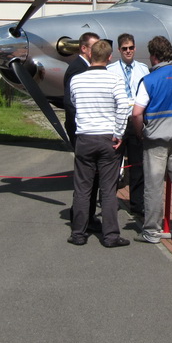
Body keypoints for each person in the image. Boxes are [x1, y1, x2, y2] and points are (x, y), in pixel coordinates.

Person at [131, 36, 172, 244]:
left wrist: (140, 132)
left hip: (156, 141)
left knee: (153, 187)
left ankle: (152, 231)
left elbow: (136, 112)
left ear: (154, 56)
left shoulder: (149, 80)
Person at [67, 39, 131, 248]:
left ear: (90, 55)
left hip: (85, 136)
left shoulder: (77, 80)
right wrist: (119, 132)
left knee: (82, 188)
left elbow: (74, 102)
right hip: (107, 137)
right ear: (109, 57)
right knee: (108, 189)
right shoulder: (115, 79)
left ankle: (78, 232)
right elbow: (123, 105)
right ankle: (110, 235)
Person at [106, 33, 149, 217]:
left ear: (135, 48)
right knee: (113, 163)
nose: (128, 51)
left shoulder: (143, 69)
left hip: (135, 120)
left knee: (137, 164)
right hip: (118, 120)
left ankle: (137, 204)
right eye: (125, 49)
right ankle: (109, 200)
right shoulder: (111, 70)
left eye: (131, 48)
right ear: (119, 50)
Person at [63, 32, 100, 230]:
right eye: (94, 47)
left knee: (91, 178)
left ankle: (87, 216)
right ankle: (82, 219)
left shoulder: (85, 67)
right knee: (86, 179)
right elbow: (71, 104)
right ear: (84, 48)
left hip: (85, 131)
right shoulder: (78, 69)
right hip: (81, 132)